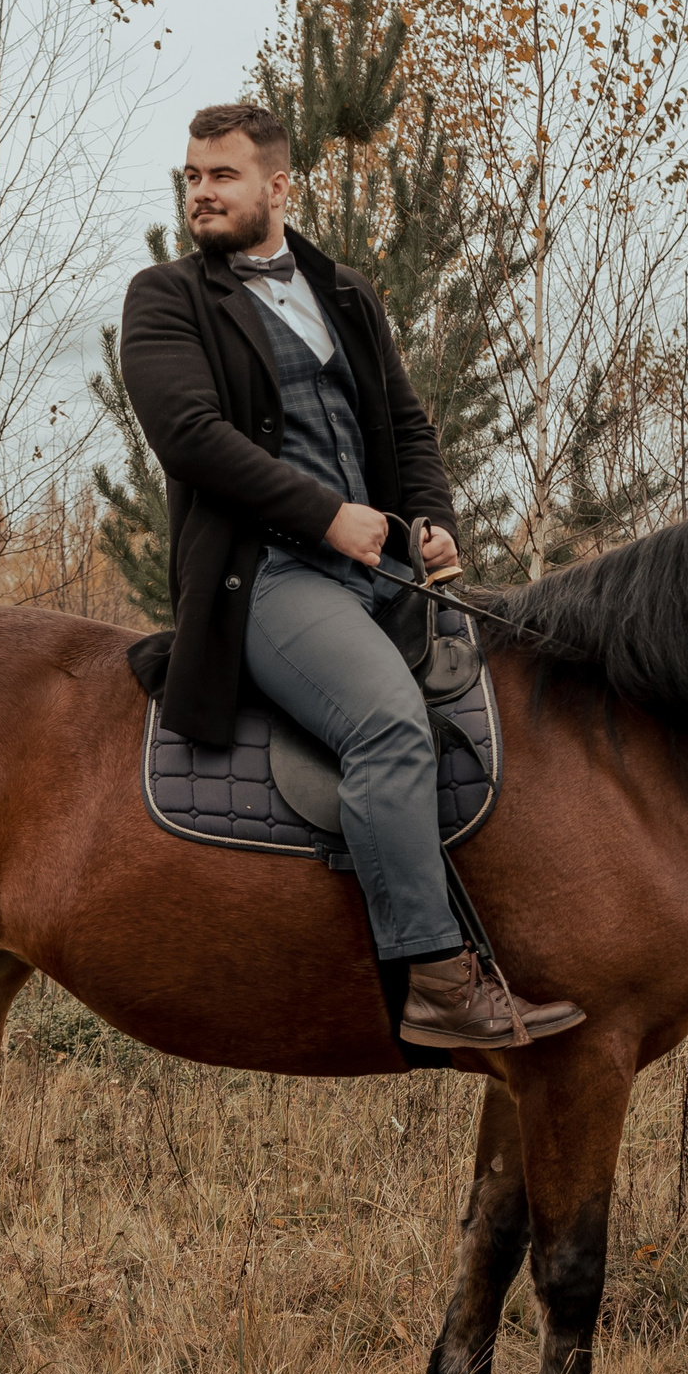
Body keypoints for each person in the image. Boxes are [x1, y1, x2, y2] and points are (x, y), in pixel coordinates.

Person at [119, 102, 584, 1051]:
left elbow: (407, 428)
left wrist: (435, 519)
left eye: (223, 176)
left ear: (279, 186)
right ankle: (436, 981)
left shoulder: (346, 292)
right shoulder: (167, 298)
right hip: (266, 578)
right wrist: (327, 515)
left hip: (383, 573)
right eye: (194, 177)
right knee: (386, 725)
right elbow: (192, 440)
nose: (201, 193)